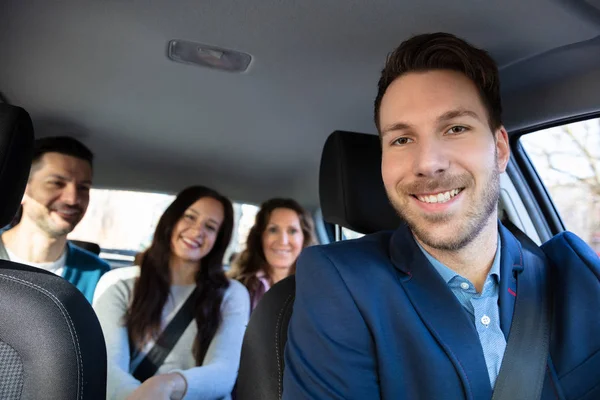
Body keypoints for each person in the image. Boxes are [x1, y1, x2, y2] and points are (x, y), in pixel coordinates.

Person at [283, 33, 600, 399]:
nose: (428, 163)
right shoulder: (341, 283)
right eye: (402, 139)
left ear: (498, 150)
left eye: (455, 129)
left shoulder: (576, 276)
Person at [93, 186, 250, 400]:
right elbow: (109, 369)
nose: (197, 231)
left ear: (218, 240)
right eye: (189, 217)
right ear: (172, 219)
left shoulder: (232, 294)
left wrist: (169, 385)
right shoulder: (118, 283)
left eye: (210, 227)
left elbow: (223, 372)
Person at [0, 136, 110, 302]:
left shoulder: (97, 275)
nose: (72, 199)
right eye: (56, 183)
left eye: (83, 187)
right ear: (22, 190)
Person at [228, 198, 315, 311]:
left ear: (304, 238)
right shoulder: (236, 287)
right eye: (273, 230)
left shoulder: (318, 287)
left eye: (292, 231)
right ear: (260, 237)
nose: (283, 241)